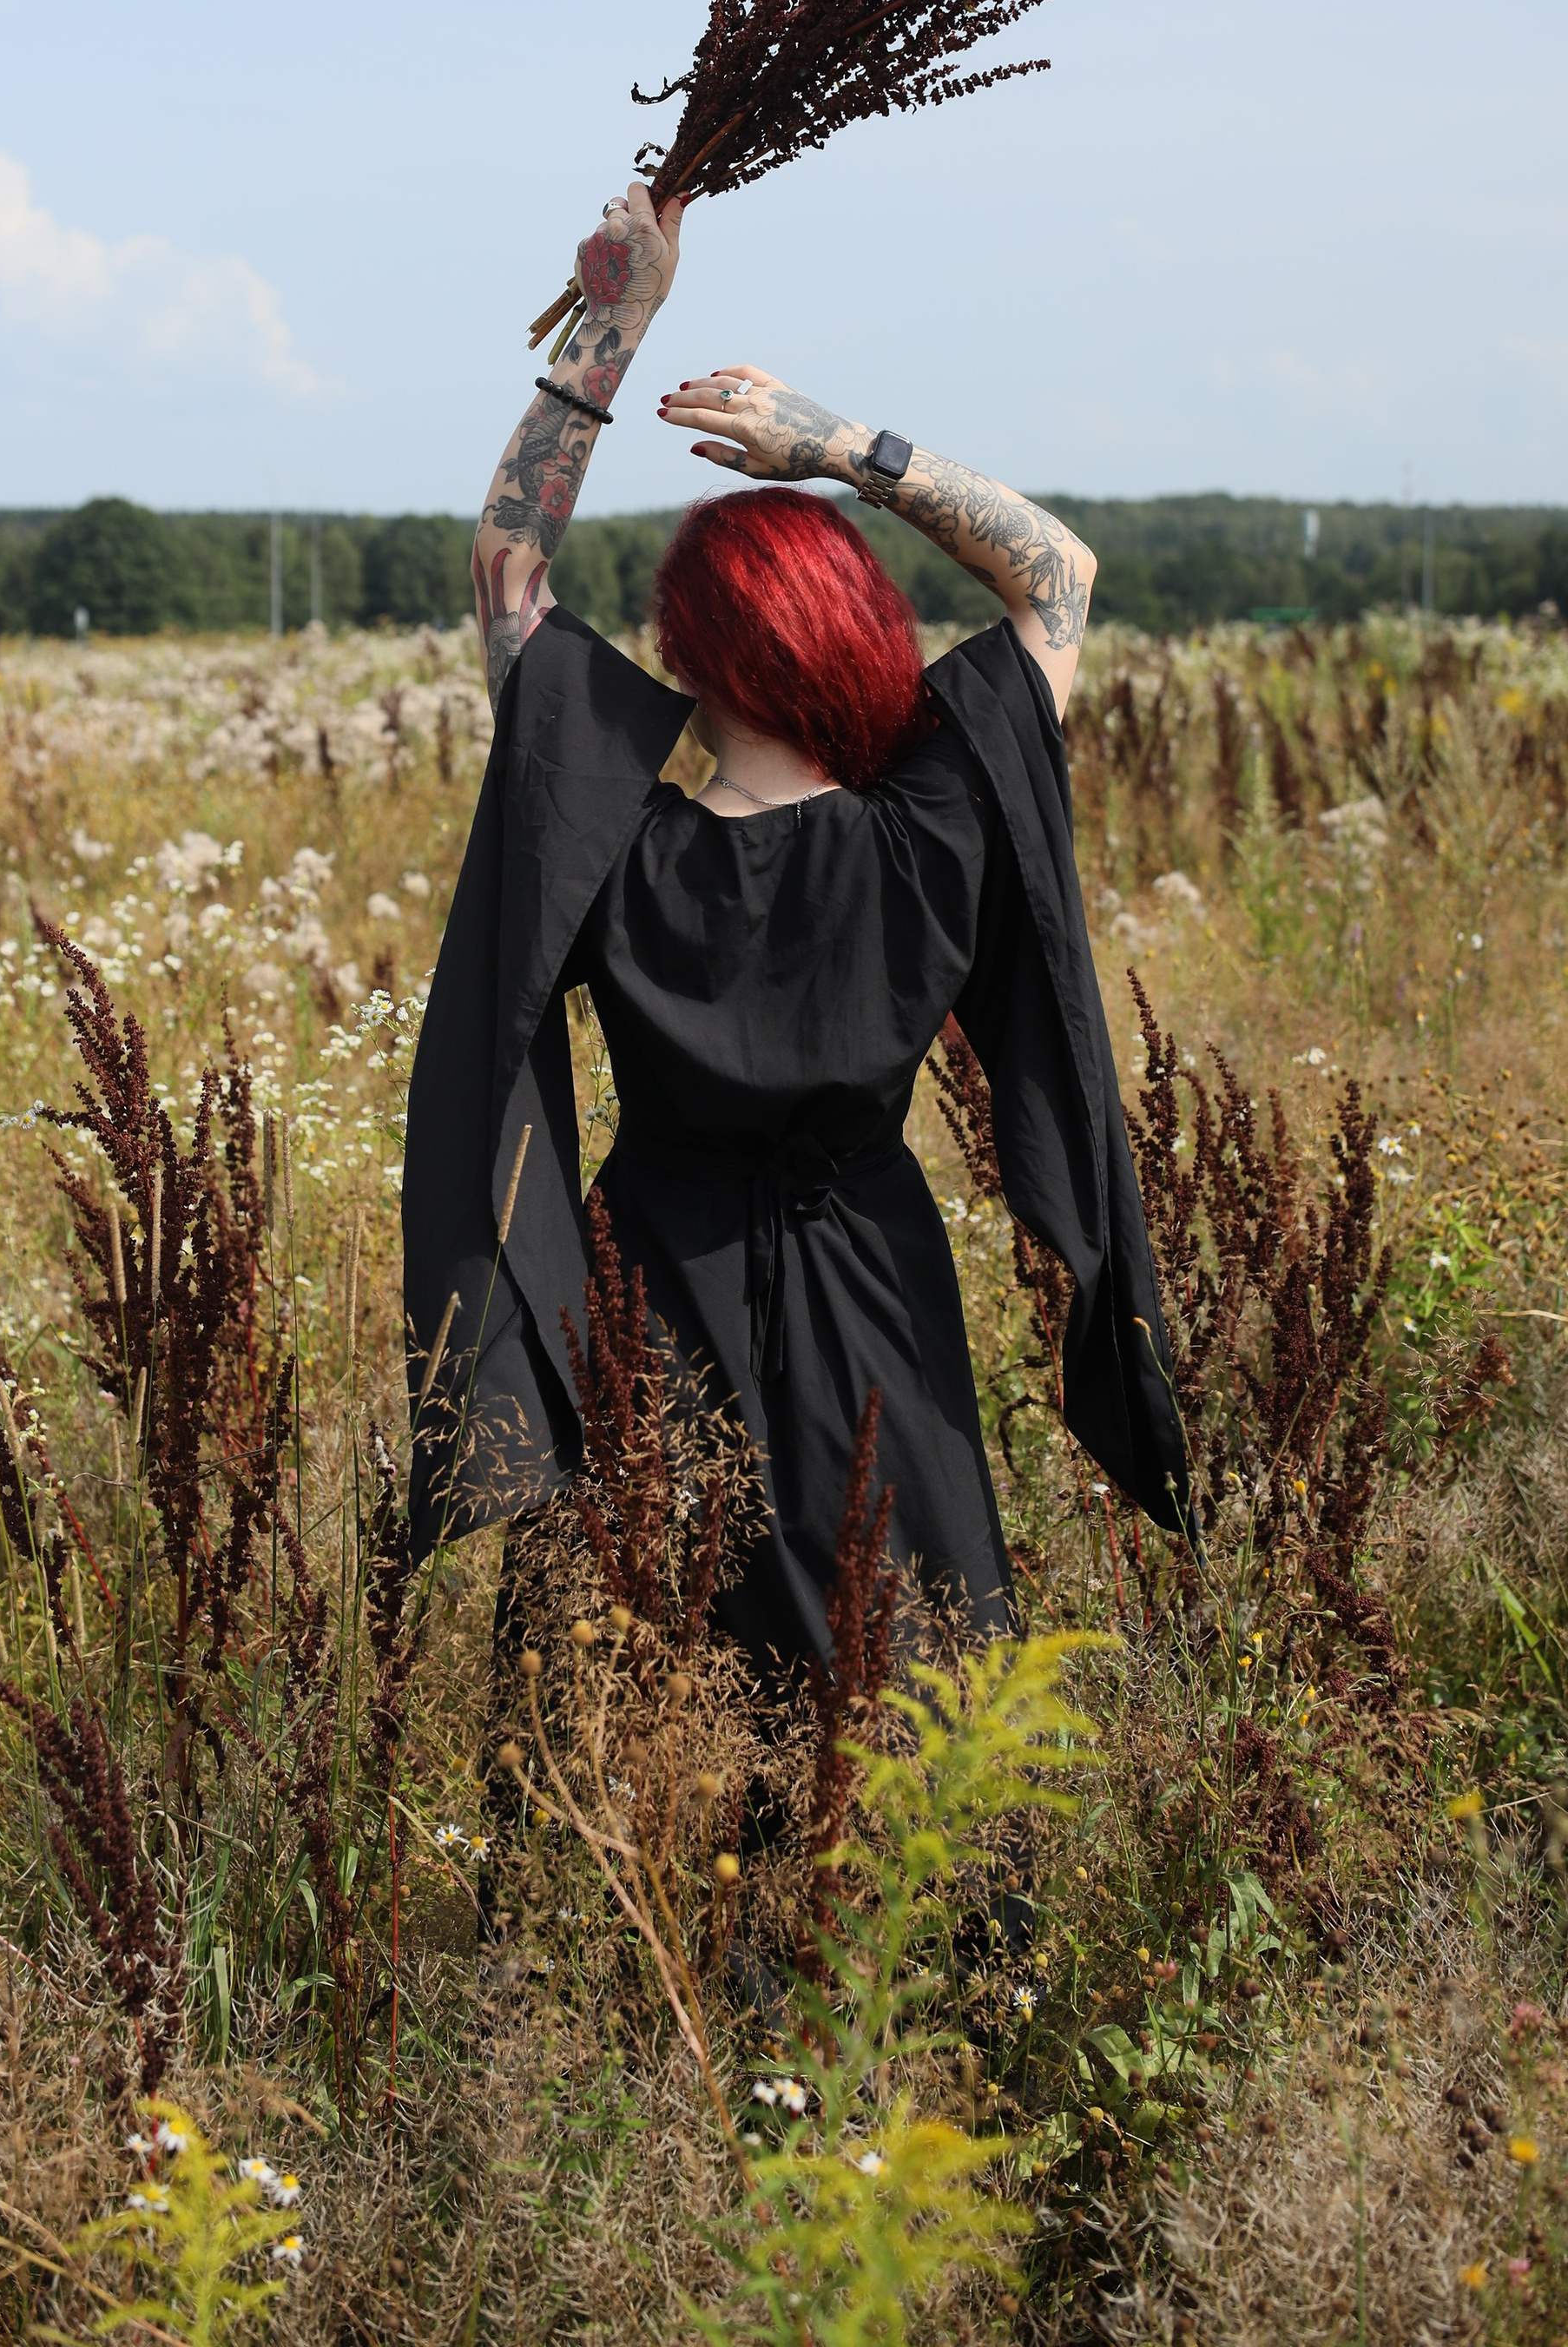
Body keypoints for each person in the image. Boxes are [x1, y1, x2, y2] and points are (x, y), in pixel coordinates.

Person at [401, 184, 1189, 1691]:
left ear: (686, 654)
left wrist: (611, 327)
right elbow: (1058, 573)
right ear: (859, 636)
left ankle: (636, 1919)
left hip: (649, 1285)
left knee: (640, 1660)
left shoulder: (609, 841)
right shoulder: (935, 825)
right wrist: (839, 449)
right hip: (878, 1279)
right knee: (908, 1661)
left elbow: (509, 566)